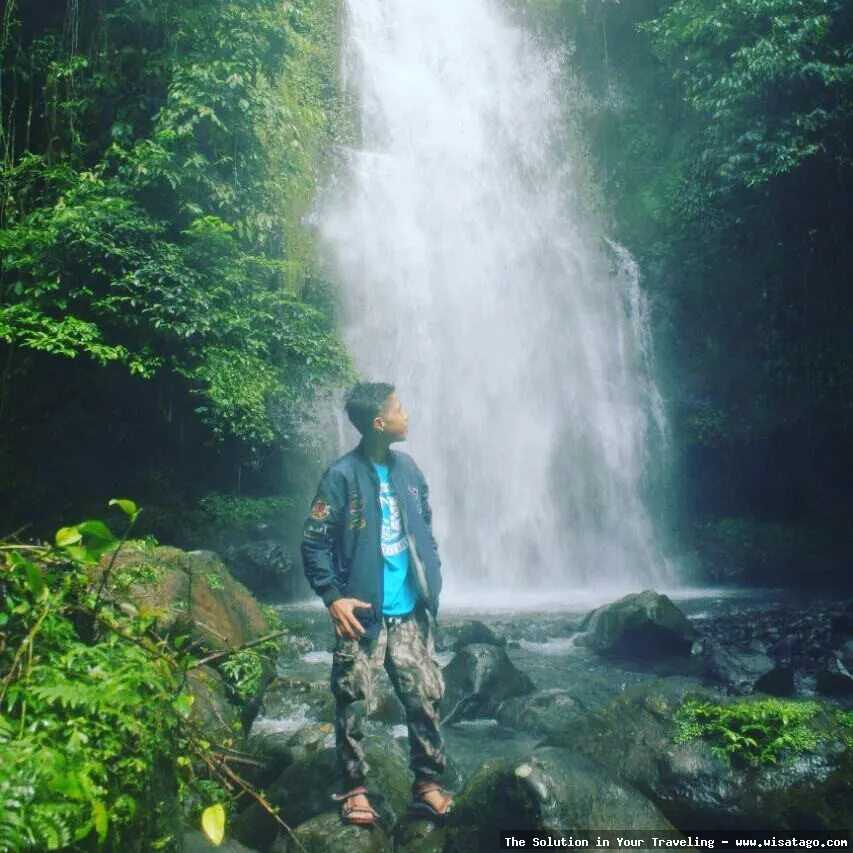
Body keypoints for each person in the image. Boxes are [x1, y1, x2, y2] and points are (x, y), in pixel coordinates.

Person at [301, 382, 453, 827]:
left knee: (424, 696)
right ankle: (354, 789)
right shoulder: (341, 477)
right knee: (353, 699)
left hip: (409, 610)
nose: (407, 415)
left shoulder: (409, 470)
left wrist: (432, 576)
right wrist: (333, 598)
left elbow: (425, 528)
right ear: (379, 423)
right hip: (362, 612)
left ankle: (427, 785)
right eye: (399, 408)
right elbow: (314, 543)